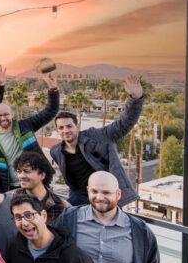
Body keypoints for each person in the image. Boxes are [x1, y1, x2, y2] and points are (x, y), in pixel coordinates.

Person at [51, 75, 145, 206]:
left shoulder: (96, 136)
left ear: (77, 127)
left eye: (69, 126)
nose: (65, 130)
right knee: (62, 216)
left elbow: (123, 124)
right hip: (81, 197)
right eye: (61, 127)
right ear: (57, 131)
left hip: (105, 197)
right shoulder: (56, 151)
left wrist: (135, 99)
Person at [0, 73, 60, 192]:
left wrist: (53, 90)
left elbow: (50, 111)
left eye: (6, 114)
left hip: (35, 184)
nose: (3, 118)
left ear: (12, 115)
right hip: (10, 188)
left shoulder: (24, 126)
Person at [10, 151, 70, 225]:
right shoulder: (9, 199)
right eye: (19, 172)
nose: (21, 176)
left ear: (42, 175)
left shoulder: (61, 206)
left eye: (27, 171)